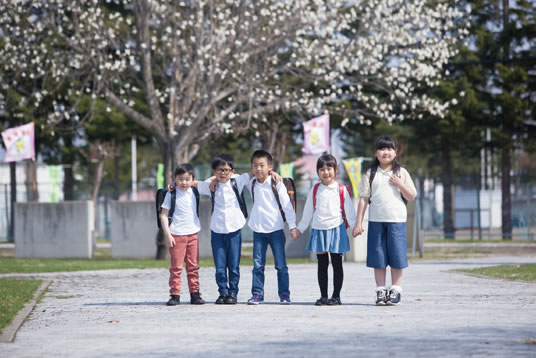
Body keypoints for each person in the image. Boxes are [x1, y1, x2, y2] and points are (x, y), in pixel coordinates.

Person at [352, 136, 417, 306]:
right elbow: (363, 199)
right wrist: (358, 223)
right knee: (378, 257)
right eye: (382, 149)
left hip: (397, 221)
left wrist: (400, 184)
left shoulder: (401, 172)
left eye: (390, 149)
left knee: (397, 256)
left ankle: (395, 290)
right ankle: (380, 291)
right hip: (376, 221)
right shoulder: (370, 173)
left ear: (395, 152)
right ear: (375, 153)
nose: (385, 152)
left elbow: (411, 195)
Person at [294, 154, 356, 305]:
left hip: (336, 229)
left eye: (329, 168)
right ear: (317, 172)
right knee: (322, 264)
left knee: (337, 263)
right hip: (319, 229)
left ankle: (336, 296)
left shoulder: (341, 189)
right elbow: (308, 211)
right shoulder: (315, 189)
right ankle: (323, 296)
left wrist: (355, 227)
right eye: (321, 169)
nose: (325, 172)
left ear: (335, 170)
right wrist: (300, 228)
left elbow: (349, 211)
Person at [196, 154, 251, 305]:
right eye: (220, 170)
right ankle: (222, 292)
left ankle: (233, 292)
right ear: (214, 171)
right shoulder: (211, 187)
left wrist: (273, 173)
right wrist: (174, 184)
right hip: (217, 230)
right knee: (220, 267)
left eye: (227, 170)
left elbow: (253, 173)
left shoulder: (237, 182)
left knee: (233, 265)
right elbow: (192, 183)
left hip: (235, 229)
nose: (223, 173)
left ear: (232, 171)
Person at [247, 150, 298, 305]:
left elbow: (287, 206)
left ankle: (284, 295)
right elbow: (231, 177)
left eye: (262, 165)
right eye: (255, 166)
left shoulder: (277, 183)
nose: (258, 169)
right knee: (257, 266)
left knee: (281, 265)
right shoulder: (252, 183)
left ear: (270, 167)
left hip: (276, 230)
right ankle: (257, 294)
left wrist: (293, 226)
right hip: (258, 231)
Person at [160, 164, 205, 306]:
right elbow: (163, 215)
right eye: (180, 179)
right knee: (176, 267)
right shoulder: (170, 194)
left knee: (193, 267)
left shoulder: (195, 191)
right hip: (176, 235)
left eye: (187, 179)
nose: (184, 182)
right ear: (175, 179)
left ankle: (195, 294)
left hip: (193, 234)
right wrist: (168, 235)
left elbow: (212, 180)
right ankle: (175, 295)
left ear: (193, 179)